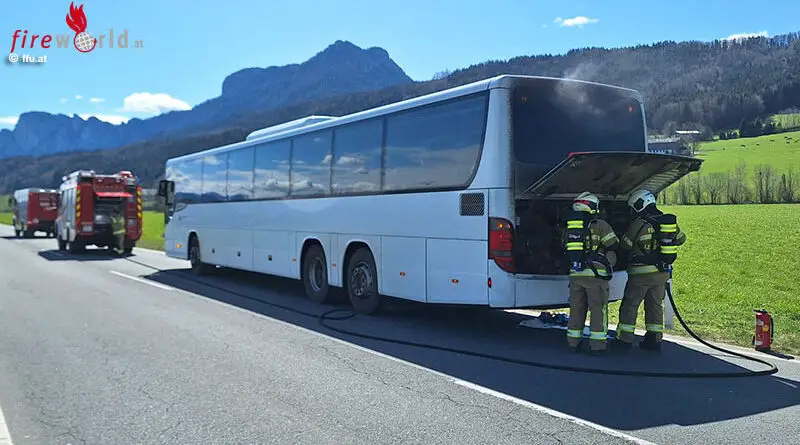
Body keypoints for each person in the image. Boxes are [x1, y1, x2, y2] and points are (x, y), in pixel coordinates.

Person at [615, 189, 686, 352]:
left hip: (640, 274)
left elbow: (625, 245)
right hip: (661, 273)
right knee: (655, 306)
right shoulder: (666, 221)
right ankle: (654, 339)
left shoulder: (639, 223)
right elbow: (681, 239)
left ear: (640, 204)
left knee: (630, 305)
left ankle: (624, 340)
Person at [564, 192, 620, 355]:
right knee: (598, 310)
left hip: (576, 274)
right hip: (596, 276)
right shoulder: (600, 224)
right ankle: (597, 345)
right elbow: (613, 244)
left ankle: (573, 343)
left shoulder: (569, 227)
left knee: (576, 309)